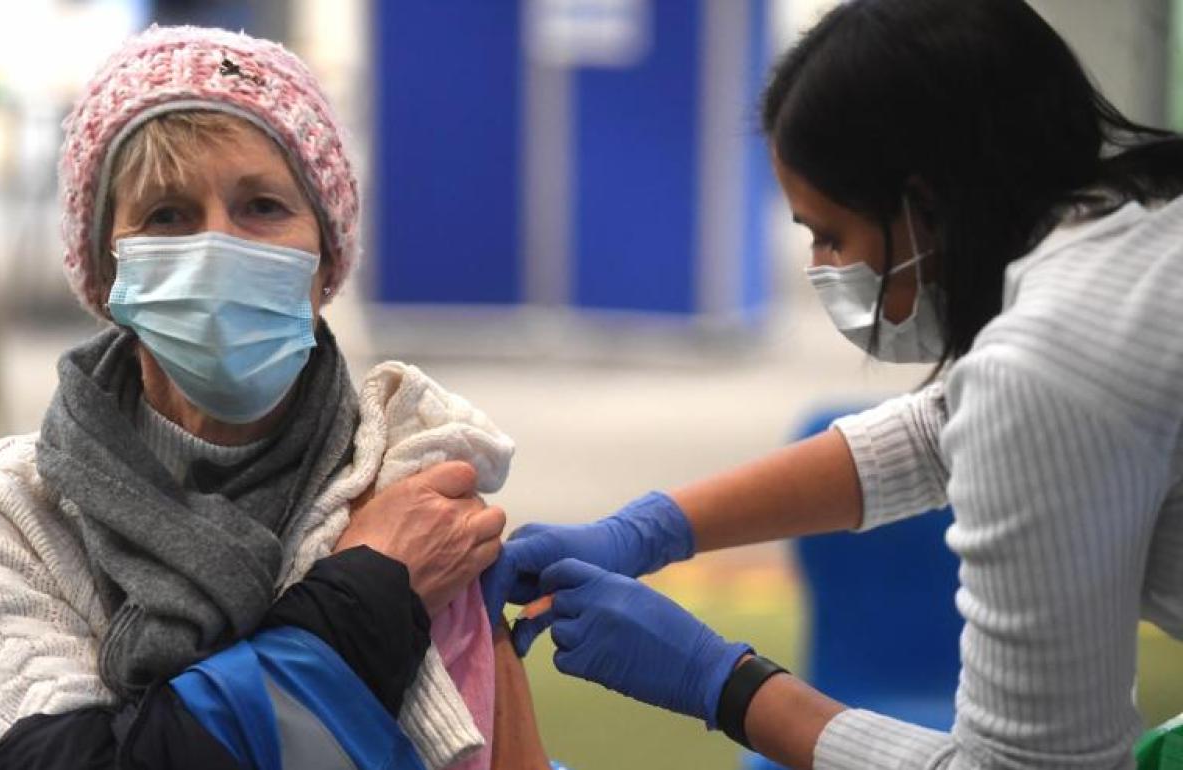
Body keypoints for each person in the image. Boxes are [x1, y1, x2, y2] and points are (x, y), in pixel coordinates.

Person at [482, 1, 1183, 768]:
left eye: (830, 233)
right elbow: (941, 432)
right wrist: (649, 529)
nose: (824, 266)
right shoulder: (1140, 234)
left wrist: (726, 683)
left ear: (928, 205)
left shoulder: (1050, 363)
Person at [0, 25, 552, 770]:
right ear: (107, 273)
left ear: (326, 261)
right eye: (167, 215)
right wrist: (362, 596)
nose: (218, 246)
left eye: (262, 205)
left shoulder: (416, 474)